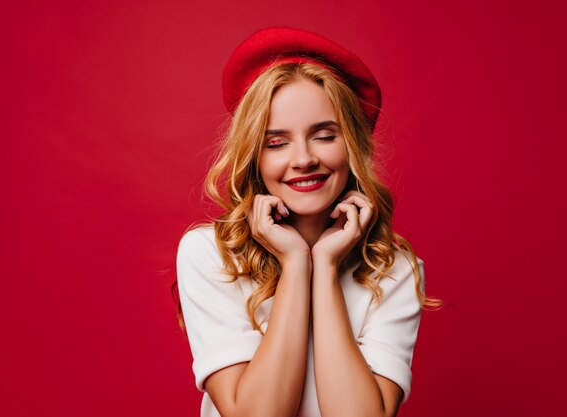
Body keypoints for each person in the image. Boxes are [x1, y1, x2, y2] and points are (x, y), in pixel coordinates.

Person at [174, 26, 440, 417]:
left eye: (324, 136)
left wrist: (326, 265)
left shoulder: (394, 270)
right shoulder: (209, 254)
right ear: (254, 157)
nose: (303, 159)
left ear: (351, 145)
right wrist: (297, 262)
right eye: (276, 142)